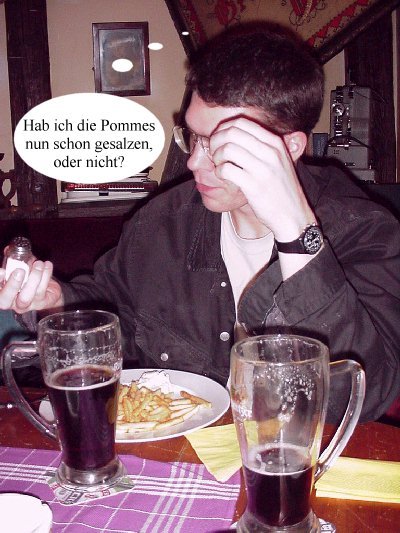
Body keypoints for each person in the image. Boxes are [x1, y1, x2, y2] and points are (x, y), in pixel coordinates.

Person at [1, 23, 399, 422]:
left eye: (221, 144)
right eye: (193, 137)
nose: (193, 162)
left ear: (289, 147)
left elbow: (368, 395)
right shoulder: (162, 222)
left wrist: (297, 233)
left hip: (297, 454)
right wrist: (54, 302)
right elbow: (112, 306)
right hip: (174, 452)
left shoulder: (365, 231)